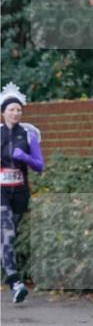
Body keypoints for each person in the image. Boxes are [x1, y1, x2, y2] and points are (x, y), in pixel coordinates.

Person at [1, 83, 45, 304]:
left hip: (20, 193)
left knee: (8, 238)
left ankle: (11, 278)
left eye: (19, 109)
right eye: (11, 109)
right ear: (3, 112)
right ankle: (15, 283)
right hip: (1, 192)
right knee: (6, 234)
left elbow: (40, 166)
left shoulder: (29, 134)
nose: (16, 113)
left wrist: (24, 157)